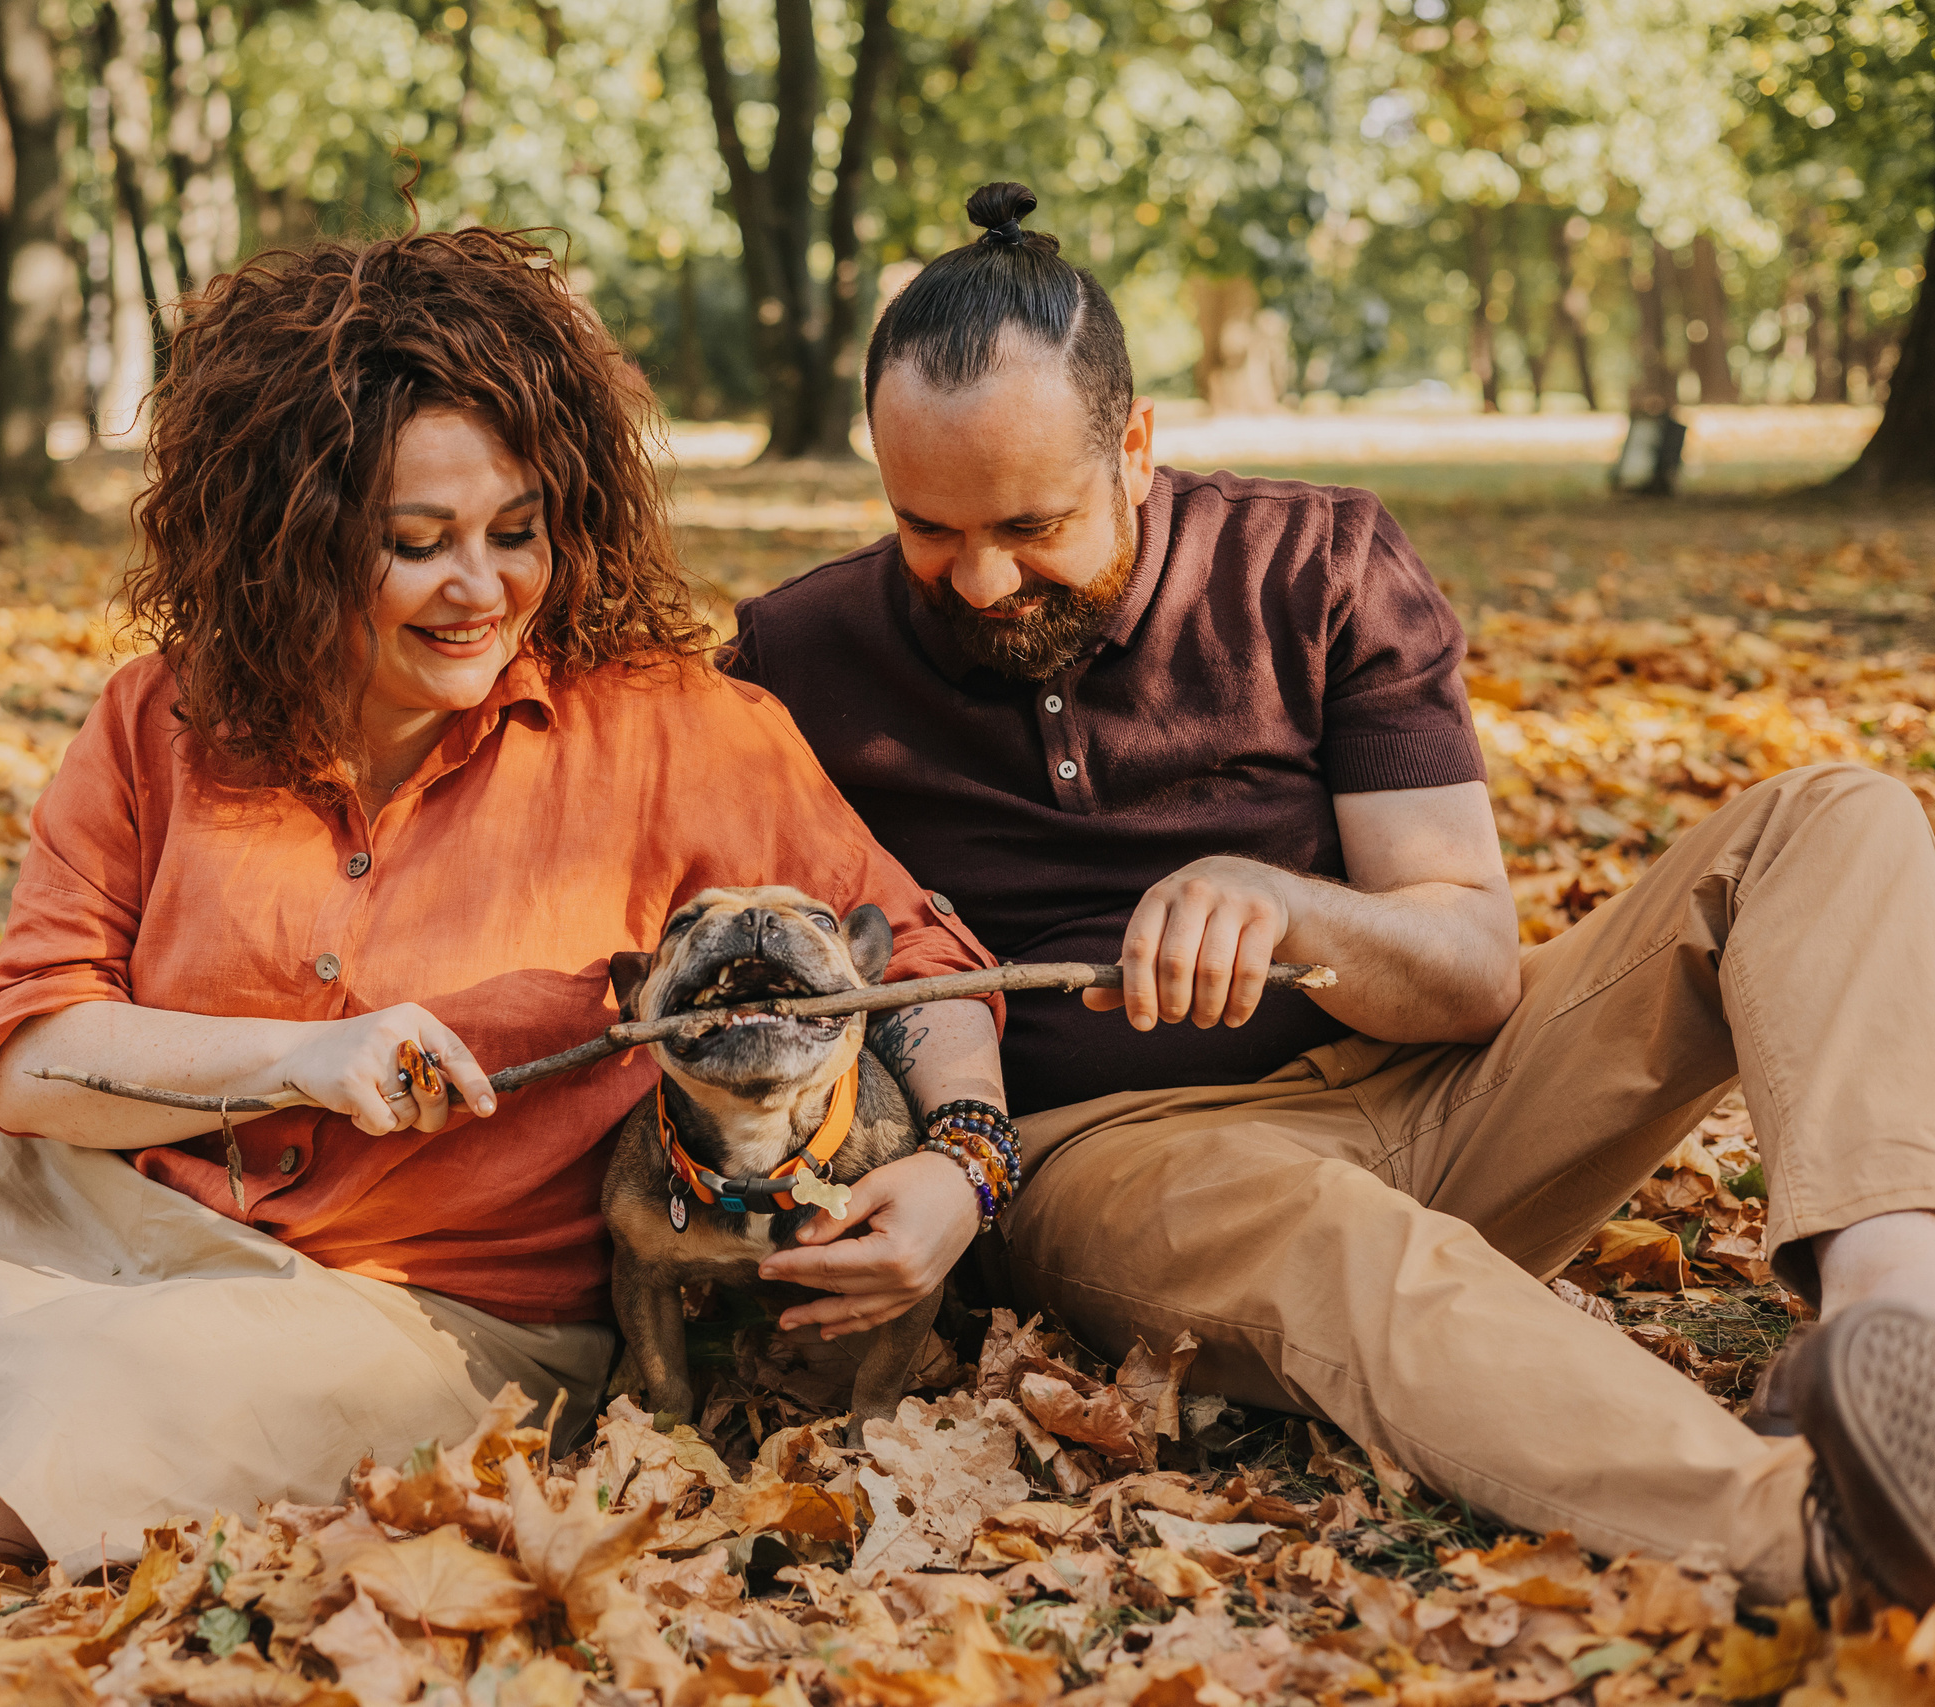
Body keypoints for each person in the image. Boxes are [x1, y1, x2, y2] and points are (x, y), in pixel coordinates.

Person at [0, 223, 1011, 1573]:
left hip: (433, 1313)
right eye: (415, 541)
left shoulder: (672, 729)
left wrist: (959, 1169)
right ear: (291, 536)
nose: (482, 587)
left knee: (11, 1466)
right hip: (81, 1192)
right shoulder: (161, 717)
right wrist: (289, 1060)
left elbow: (919, 955)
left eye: (519, 531)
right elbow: (25, 1058)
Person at [726, 181, 1935, 1609]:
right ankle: (1803, 1529)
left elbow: (1474, 965)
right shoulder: (795, 659)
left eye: (1031, 523)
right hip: (1116, 1151)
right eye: (927, 528)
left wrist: (1293, 910)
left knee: (1832, 815)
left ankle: (1892, 1323)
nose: (980, 577)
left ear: (1136, 442)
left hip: (1446, 1079)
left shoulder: (1318, 562)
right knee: (1353, 1252)